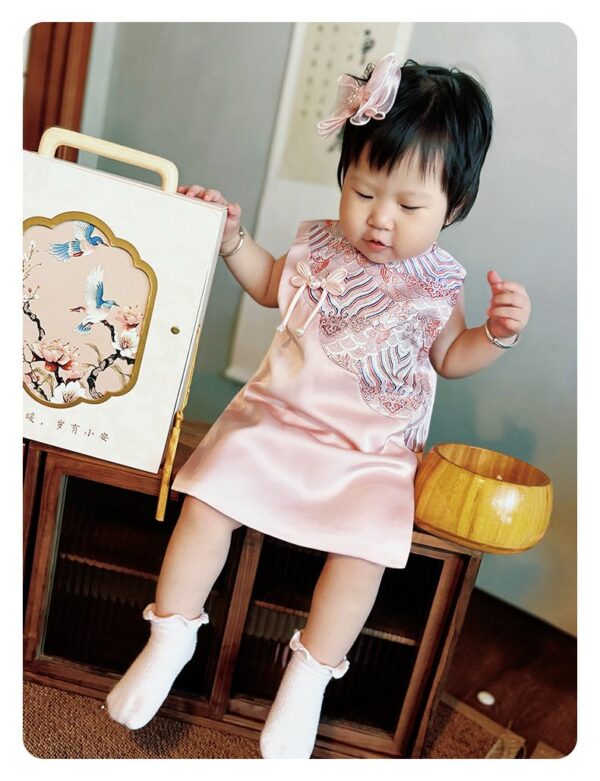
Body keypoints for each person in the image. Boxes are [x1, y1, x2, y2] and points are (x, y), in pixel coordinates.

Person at [105, 54, 531, 758]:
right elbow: (269, 284)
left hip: (370, 454)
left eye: (409, 207)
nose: (380, 220)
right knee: (207, 500)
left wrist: (495, 335)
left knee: (362, 555)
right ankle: (170, 634)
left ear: (453, 208)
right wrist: (233, 241)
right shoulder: (318, 243)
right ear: (344, 177)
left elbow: (450, 358)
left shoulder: (439, 284)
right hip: (273, 422)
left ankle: (308, 677)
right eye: (363, 192)